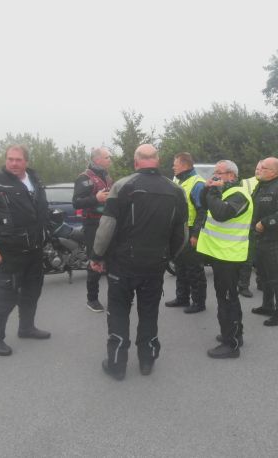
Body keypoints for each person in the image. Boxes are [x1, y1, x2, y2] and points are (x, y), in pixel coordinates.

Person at [90, 144, 188, 380]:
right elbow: (182, 233)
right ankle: (147, 360)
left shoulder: (122, 186)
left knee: (118, 312)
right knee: (149, 312)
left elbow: (106, 227)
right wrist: (168, 256)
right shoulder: (176, 190)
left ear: (136, 162)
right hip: (155, 264)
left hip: (122, 265)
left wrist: (97, 256)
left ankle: (117, 364)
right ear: (158, 161)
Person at [0, 144, 51, 356]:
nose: (13, 163)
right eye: (10, 159)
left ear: (26, 161)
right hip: (8, 251)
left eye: (18, 160)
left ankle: (26, 328)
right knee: (6, 297)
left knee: (32, 292)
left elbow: (41, 211)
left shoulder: (35, 179)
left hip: (34, 249)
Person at [197, 160, 253, 359]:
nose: (215, 176)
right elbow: (204, 204)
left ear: (231, 175)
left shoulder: (239, 194)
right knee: (227, 297)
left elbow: (221, 214)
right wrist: (207, 189)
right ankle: (235, 334)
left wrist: (213, 191)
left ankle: (231, 344)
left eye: (219, 173)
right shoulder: (224, 192)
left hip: (230, 255)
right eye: (214, 173)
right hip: (220, 253)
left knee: (227, 300)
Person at [251, 157, 278, 326]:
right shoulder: (261, 186)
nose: (259, 170)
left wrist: (265, 223)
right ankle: (268, 306)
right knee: (263, 275)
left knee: (275, 277)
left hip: (273, 238)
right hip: (259, 237)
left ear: (273, 172)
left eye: (263, 168)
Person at [164, 152, 208, 314]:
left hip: (190, 231)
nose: (173, 167)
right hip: (178, 231)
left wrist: (196, 235)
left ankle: (199, 302)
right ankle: (182, 297)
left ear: (184, 165)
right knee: (180, 266)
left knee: (194, 269)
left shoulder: (198, 184)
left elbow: (202, 212)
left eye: (175, 164)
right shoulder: (177, 180)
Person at [72, 147, 113, 312]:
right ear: (97, 160)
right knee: (95, 260)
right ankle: (92, 299)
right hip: (92, 224)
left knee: (112, 260)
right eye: (107, 157)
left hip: (108, 223)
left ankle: (115, 296)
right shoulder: (84, 178)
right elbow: (76, 202)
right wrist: (96, 198)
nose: (110, 160)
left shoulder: (107, 176)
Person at [237, 160, 262, 297]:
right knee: (247, 258)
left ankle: (262, 283)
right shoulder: (245, 182)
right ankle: (243, 286)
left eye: (262, 168)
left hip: (264, 226)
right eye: (257, 168)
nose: (258, 170)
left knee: (262, 258)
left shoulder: (272, 185)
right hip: (248, 225)